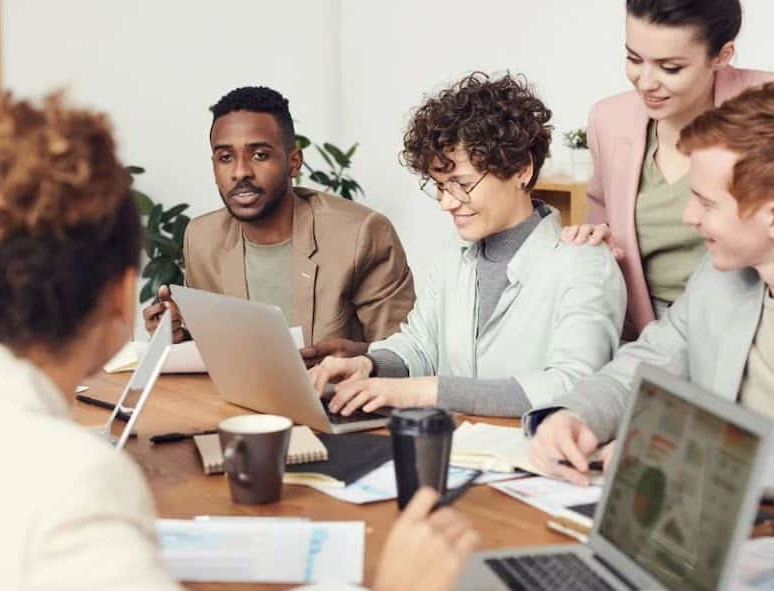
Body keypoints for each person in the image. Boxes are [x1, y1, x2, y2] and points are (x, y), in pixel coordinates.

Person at [0, 91, 478, 591]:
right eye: (225, 155)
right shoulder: (77, 480)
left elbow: (403, 343)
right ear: (121, 293)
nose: (240, 170)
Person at [307, 72, 626, 419]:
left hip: (533, 459)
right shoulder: (454, 256)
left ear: (521, 169)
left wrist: (425, 391)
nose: (447, 203)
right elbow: (419, 345)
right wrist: (369, 364)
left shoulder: (584, 263)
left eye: (462, 184)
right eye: (440, 186)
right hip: (455, 452)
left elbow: (572, 384)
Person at [528, 82, 774, 486]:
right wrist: (576, 416)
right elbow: (648, 363)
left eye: (708, 203)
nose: (689, 217)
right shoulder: (718, 278)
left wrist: (681, 453)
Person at [142, 86, 415, 366]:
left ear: (294, 162)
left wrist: (361, 357)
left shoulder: (362, 234)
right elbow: (216, 355)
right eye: (226, 158)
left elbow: (410, 357)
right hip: (239, 404)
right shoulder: (202, 237)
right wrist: (176, 336)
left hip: (338, 403)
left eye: (259, 155)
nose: (240, 172)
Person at [562, 0, 774, 339]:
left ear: (722, 55)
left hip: (752, 332)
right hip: (645, 333)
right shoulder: (609, 121)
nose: (646, 82)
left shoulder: (764, 107)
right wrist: (596, 238)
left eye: (670, 68)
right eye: (633, 59)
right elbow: (601, 219)